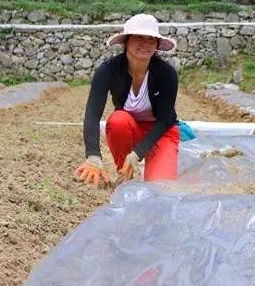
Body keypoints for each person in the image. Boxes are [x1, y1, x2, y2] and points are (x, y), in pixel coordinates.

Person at [75, 13, 180, 187]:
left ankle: (139, 163)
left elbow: (165, 120)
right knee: (117, 120)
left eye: (151, 39)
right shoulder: (108, 71)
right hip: (129, 127)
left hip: (161, 132)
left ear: (157, 45)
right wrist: (93, 156)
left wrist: (137, 154)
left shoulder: (167, 74)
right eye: (139, 37)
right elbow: (92, 114)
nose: (145, 43)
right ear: (126, 41)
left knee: (161, 187)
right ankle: (124, 174)